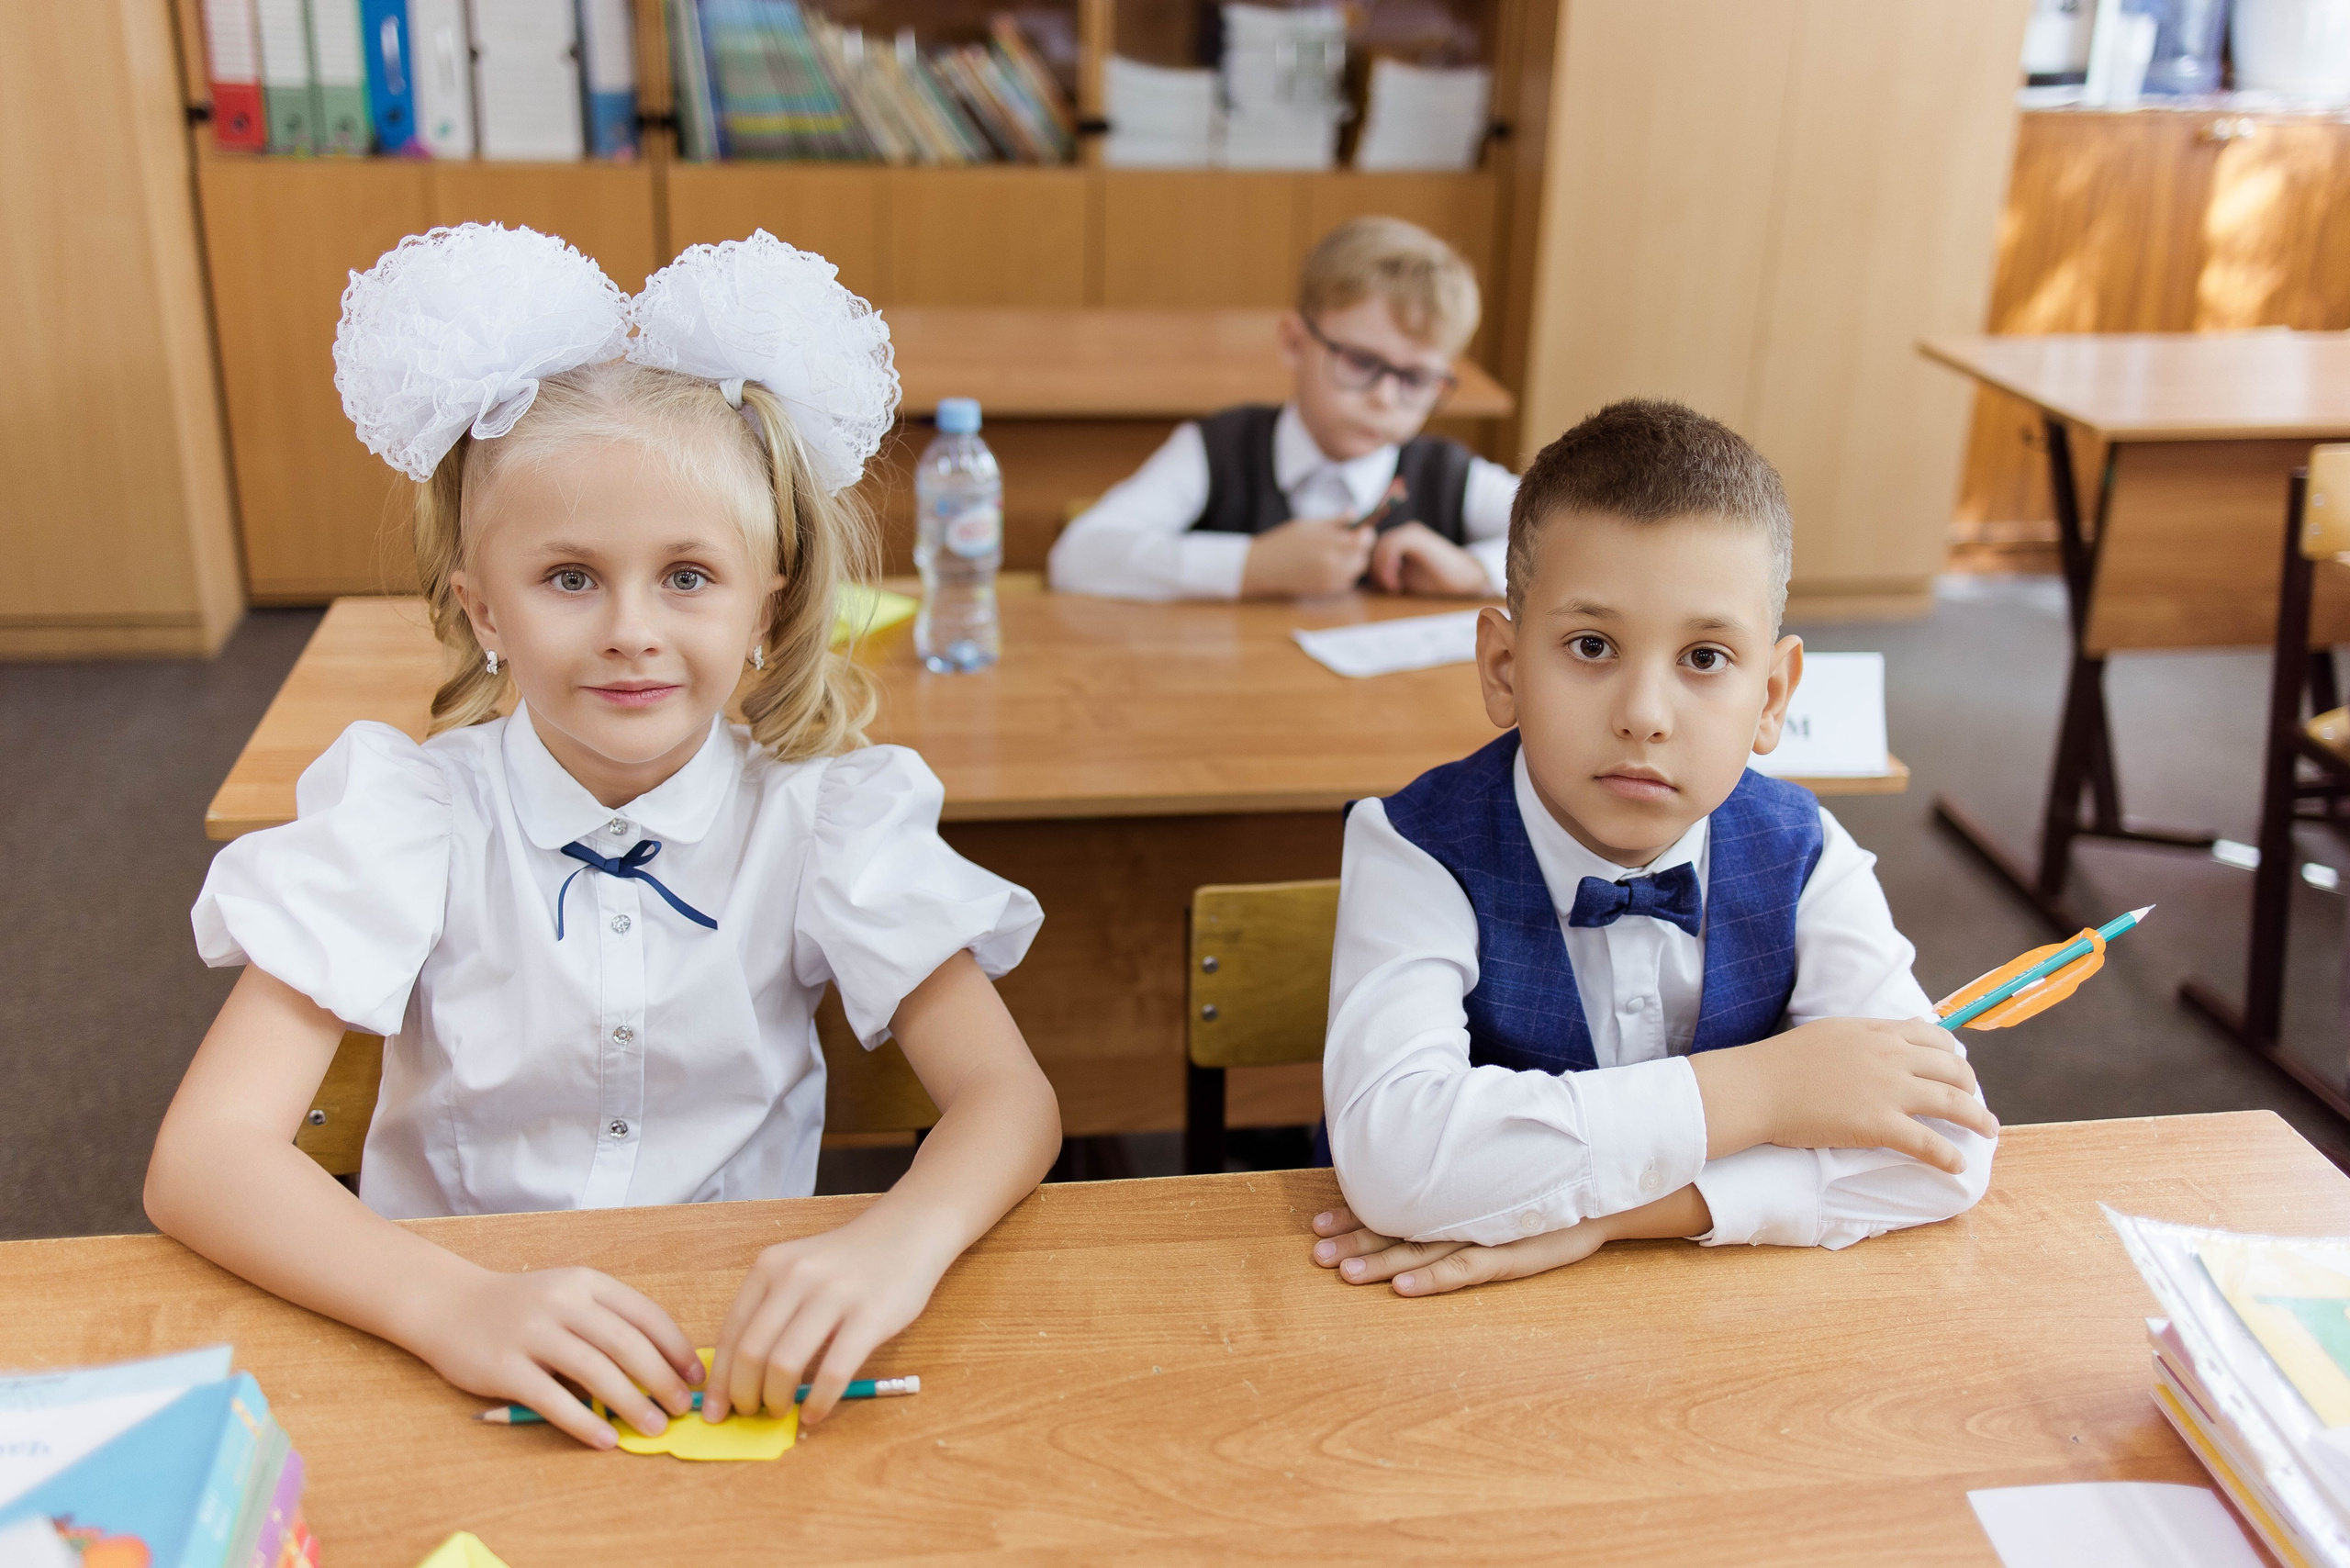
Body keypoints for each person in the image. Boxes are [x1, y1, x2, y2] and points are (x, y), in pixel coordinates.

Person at [145, 225, 1061, 1447]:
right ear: (481, 607)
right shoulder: (411, 818)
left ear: (766, 608)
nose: (631, 629)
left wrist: (896, 1241)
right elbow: (201, 1160)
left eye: (688, 575)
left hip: (725, 1351)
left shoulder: (824, 815)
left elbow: (1010, 1100)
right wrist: (451, 1305)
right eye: (570, 578)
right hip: (443, 1353)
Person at [1311, 399, 1999, 1297]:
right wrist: (1766, 1093)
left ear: (1772, 695)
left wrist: (1606, 1219)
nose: (1644, 712)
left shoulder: (1807, 855)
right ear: (1503, 666)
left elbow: (1946, 1151)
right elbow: (1398, 1162)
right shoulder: (1411, 847)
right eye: (1591, 645)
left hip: (1718, 1330)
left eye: (1705, 658)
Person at [1046, 216, 1516, 601]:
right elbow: (1079, 555)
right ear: (1295, 342)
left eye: (1416, 379)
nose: (1385, 399)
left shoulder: (1448, 473)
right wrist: (1252, 565)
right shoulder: (1217, 449)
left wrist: (1474, 570)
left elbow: (1573, 539)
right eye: (1360, 361)